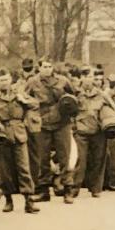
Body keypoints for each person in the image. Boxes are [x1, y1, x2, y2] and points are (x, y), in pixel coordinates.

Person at [0, 70, 39, 214]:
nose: (4, 83)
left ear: (11, 80)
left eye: (6, 80)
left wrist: (24, 101)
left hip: (19, 134)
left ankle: (29, 200)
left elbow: (35, 104)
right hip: (1, 135)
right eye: (1, 80)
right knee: (4, 171)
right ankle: (8, 200)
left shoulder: (19, 94)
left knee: (24, 168)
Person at [27, 59, 75, 201]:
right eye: (44, 67)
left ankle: (68, 190)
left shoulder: (63, 81)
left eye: (50, 66)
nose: (47, 69)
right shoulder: (32, 82)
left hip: (62, 122)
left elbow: (73, 97)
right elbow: (24, 97)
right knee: (43, 158)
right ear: (39, 68)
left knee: (64, 157)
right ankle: (43, 190)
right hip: (42, 124)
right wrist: (33, 112)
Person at [68, 70, 115, 200]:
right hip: (81, 132)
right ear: (82, 78)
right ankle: (74, 188)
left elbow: (114, 109)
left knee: (98, 160)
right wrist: (74, 127)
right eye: (87, 76)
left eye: (91, 77)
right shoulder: (75, 95)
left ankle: (96, 189)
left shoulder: (101, 95)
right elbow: (68, 111)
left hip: (98, 132)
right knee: (80, 161)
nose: (90, 79)